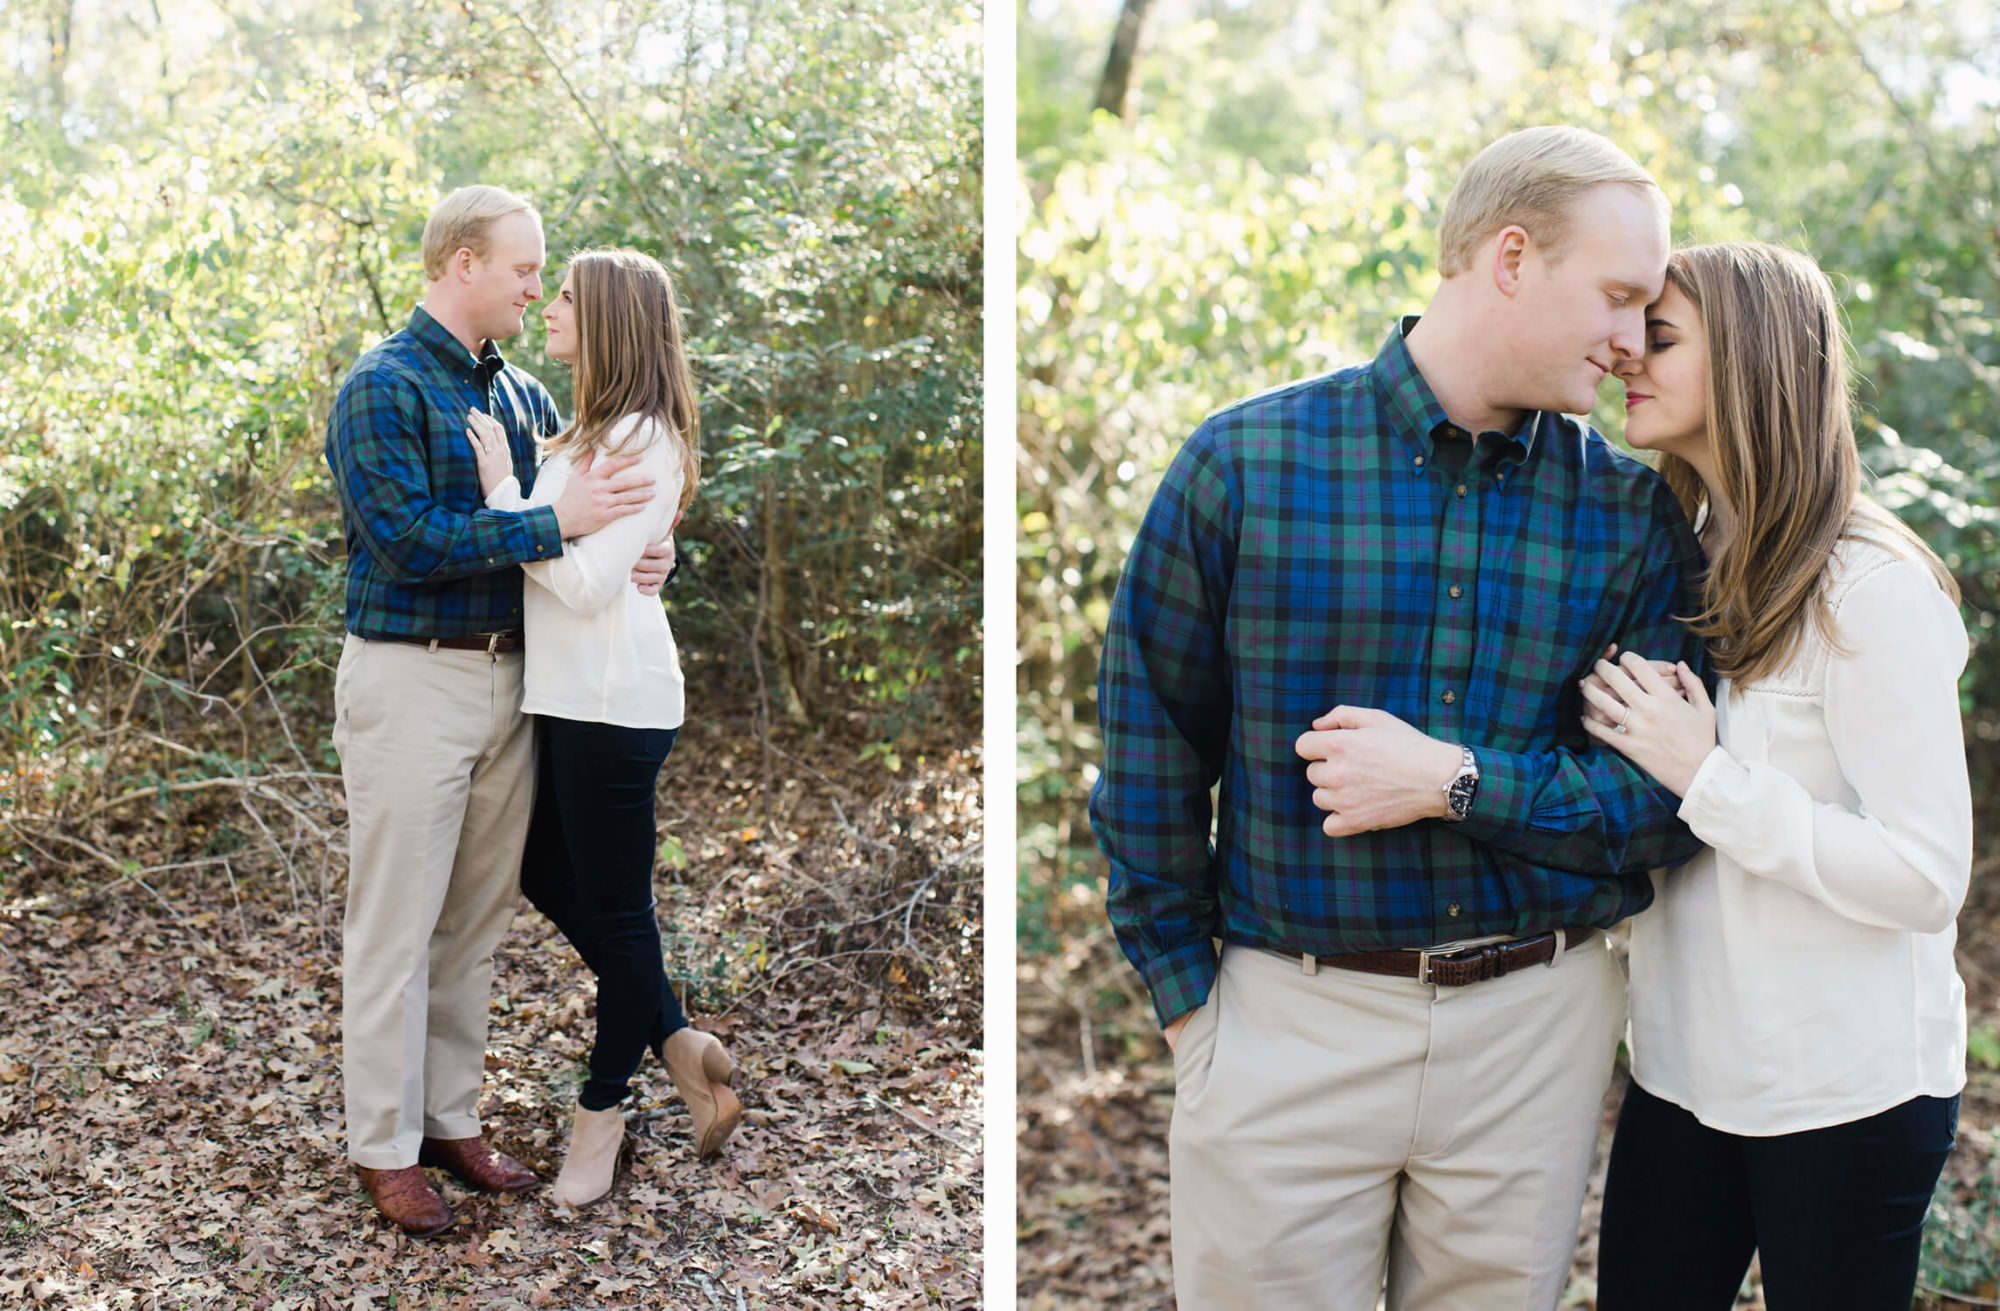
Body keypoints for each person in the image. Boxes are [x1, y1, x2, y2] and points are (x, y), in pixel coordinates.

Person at [1092, 125, 1712, 1309]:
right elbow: (1146, 757)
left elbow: (1658, 806)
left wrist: (1456, 780)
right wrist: (1190, 1012)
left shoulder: (1628, 516)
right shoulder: (1245, 466)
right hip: (1287, 1024)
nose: (1633, 342)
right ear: (1510, 258)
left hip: (1535, 1035)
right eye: (1618, 297)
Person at [1581, 242, 1969, 1310]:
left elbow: (1926, 876)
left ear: (1752, 364)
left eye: (1661, 338)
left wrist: (1707, 778)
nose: (1626, 357)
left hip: (1844, 1091)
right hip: (1680, 1071)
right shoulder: (1676, 559)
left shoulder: (1868, 589)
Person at [325, 185, 677, 1237]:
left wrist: (653, 551)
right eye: (524, 269)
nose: (535, 287)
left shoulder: (526, 396)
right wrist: (550, 523)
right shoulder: (382, 386)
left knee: (475, 921)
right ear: (462, 263)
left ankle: (450, 1119)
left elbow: (586, 530)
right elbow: (407, 543)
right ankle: (383, 1147)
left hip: (521, 684)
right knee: (395, 923)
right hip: (411, 678)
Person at [465, 247, 742, 1209]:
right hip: (569, 697)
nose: (547, 307)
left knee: (621, 915)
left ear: (611, 318)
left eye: (567, 297)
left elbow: (585, 585)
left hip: (615, 702)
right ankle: (678, 1039)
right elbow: (597, 558)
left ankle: (601, 1117)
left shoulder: (641, 440)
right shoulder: (584, 430)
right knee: (545, 871)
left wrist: (505, 499)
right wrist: (544, 509)